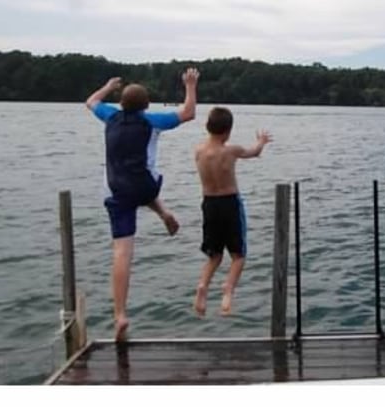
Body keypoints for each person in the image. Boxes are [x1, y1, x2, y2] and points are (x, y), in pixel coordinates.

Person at [85, 68, 199, 341]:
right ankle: (163, 212)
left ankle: (120, 315)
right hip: (146, 187)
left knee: (122, 252)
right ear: (146, 106)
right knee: (148, 181)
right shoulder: (151, 121)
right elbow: (188, 113)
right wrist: (191, 85)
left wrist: (107, 85)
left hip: (115, 192)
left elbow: (90, 102)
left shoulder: (110, 116)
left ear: (121, 103)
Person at [193, 106, 272, 317]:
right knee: (238, 255)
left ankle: (203, 286)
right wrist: (261, 142)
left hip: (209, 205)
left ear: (208, 127)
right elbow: (254, 152)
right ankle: (228, 289)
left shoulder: (198, 151)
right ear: (228, 131)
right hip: (229, 204)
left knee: (214, 255)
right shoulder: (231, 150)